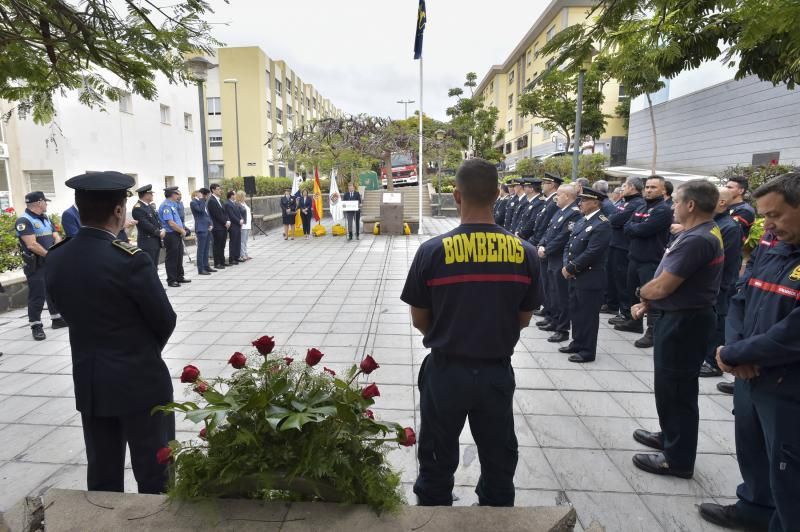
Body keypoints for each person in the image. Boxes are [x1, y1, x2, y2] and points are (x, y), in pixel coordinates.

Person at [401, 158, 542, 507]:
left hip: (446, 371)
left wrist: (450, 333)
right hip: (496, 373)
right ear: (497, 194)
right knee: (499, 462)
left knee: (435, 460)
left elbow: (420, 319)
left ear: (456, 195)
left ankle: (434, 515)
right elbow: (524, 318)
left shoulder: (431, 252)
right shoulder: (524, 253)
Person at [44, 171, 176, 495]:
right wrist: (140, 351)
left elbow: (62, 307)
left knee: (102, 478)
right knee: (155, 476)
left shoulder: (57, 257)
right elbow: (164, 319)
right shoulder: (130, 260)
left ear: (79, 208)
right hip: (140, 381)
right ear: (119, 212)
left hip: (91, 381)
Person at [697, 172, 800, 532]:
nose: (767, 226)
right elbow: (740, 298)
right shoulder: (772, 246)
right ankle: (753, 507)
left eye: (775, 215)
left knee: (790, 475)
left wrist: (740, 353)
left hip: (786, 384)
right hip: (750, 372)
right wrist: (733, 350)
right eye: (763, 216)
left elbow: (792, 334)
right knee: (752, 449)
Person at [628, 179, 723, 479]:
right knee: (669, 388)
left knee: (678, 390)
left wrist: (643, 295)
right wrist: (651, 302)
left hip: (685, 322)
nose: (672, 207)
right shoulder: (699, 233)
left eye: (676, 202)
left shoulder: (698, 239)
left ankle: (678, 459)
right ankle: (670, 436)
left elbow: (665, 284)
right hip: (681, 316)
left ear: (691, 205)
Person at [616, 175, 672, 348]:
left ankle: (652, 331)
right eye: (647, 187)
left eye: (653, 187)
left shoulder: (662, 210)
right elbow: (627, 227)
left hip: (650, 259)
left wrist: (635, 228)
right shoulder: (641, 206)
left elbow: (645, 229)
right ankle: (634, 322)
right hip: (635, 257)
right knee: (633, 291)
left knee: (649, 296)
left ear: (663, 190)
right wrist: (635, 228)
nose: (648, 190)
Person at [561, 188, 612, 363]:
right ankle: (577, 342)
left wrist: (572, 267)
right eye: (580, 200)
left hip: (590, 277)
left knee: (588, 315)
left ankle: (587, 350)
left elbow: (593, 252)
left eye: (583, 200)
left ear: (595, 202)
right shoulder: (583, 221)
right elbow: (569, 244)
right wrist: (566, 265)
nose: (579, 203)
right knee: (576, 311)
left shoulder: (602, 223)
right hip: (575, 275)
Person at [698, 187, 743, 378]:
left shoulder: (729, 227)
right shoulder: (714, 223)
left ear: (722, 203)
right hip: (709, 285)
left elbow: (725, 261)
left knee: (717, 323)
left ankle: (712, 363)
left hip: (720, 285)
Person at [15, 191, 66, 340]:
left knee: (53, 290)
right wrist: (50, 255)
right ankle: (36, 325)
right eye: (45, 202)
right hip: (35, 264)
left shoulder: (45, 218)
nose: (47, 204)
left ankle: (56, 318)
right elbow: (31, 244)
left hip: (49, 261)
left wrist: (57, 250)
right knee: (37, 295)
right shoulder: (24, 221)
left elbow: (56, 235)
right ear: (39, 203)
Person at [537, 183, 581, 343]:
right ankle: (553, 319)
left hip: (558, 258)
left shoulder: (574, 214)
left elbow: (563, 238)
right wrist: (541, 244)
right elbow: (548, 232)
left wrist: (546, 249)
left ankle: (562, 329)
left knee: (561, 295)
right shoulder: (559, 212)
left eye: (559, 195)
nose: (556, 197)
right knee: (551, 291)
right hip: (550, 258)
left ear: (568, 197)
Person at [606, 178, 646, 317]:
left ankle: (625, 312)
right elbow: (611, 218)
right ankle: (613, 305)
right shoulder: (626, 202)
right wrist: (614, 220)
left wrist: (615, 220)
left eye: (625, 186)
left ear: (632, 187)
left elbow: (617, 220)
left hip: (624, 246)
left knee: (622, 279)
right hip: (615, 243)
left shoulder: (637, 203)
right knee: (613, 276)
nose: (622, 189)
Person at [529, 173, 561, 321]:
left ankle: (550, 311)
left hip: (546, 247)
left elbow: (549, 228)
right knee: (544, 281)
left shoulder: (554, 202)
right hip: (541, 243)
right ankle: (547, 308)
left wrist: (540, 243)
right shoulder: (549, 201)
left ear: (553, 185)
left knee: (549, 283)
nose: (542, 185)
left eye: (546, 183)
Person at [159, 187, 189, 287]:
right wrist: (182, 231)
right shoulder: (166, 206)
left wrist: (182, 229)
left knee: (179, 256)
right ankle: (171, 280)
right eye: (177, 194)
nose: (178, 196)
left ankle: (179, 276)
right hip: (171, 234)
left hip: (176, 233)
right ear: (172, 194)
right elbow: (171, 223)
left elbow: (177, 220)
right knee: (172, 258)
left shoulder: (173, 204)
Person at [132, 184, 165, 268]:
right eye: (151, 194)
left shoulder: (149, 206)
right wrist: (158, 232)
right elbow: (145, 224)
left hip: (155, 241)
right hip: (147, 242)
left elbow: (157, 219)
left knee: (154, 266)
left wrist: (162, 229)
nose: (152, 195)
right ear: (146, 195)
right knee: (149, 267)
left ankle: (154, 281)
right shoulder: (138, 208)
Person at [726, 175, 756, 244]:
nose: (726, 189)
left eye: (729, 187)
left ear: (741, 191)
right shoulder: (724, 206)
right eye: (726, 187)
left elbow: (728, 230)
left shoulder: (745, 210)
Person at [190, 188, 214, 274]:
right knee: (201, 250)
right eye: (199, 193)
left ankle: (206, 266)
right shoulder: (193, 202)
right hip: (201, 228)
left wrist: (211, 224)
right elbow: (200, 210)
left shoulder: (202, 202)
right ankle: (201, 269)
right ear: (197, 194)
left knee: (206, 249)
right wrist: (201, 199)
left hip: (207, 228)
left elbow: (207, 215)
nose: (204, 196)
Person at [207, 183, 230, 268]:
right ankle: (217, 263)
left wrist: (228, 220)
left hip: (223, 226)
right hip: (217, 227)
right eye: (218, 189)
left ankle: (222, 261)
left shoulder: (220, 200)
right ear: (213, 190)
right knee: (217, 245)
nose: (220, 190)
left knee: (222, 245)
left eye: (220, 189)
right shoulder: (211, 201)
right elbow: (216, 215)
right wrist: (225, 222)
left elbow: (225, 212)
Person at [225, 190, 243, 264]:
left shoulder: (234, 203)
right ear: (231, 195)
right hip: (233, 226)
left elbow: (238, 213)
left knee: (238, 241)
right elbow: (231, 215)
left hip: (237, 225)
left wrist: (241, 219)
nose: (235, 195)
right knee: (233, 242)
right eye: (234, 194)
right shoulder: (228, 204)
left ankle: (236, 256)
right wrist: (239, 221)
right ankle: (232, 258)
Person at [237, 191, 252, 259]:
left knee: (245, 241)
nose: (245, 197)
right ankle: (242, 255)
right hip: (243, 225)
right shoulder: (238, 204)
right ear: (241, 197)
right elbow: (239, 215)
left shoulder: (244, 203)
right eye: (244, 196)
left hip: (248, 224)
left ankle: (245, 253)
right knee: (242, 241)